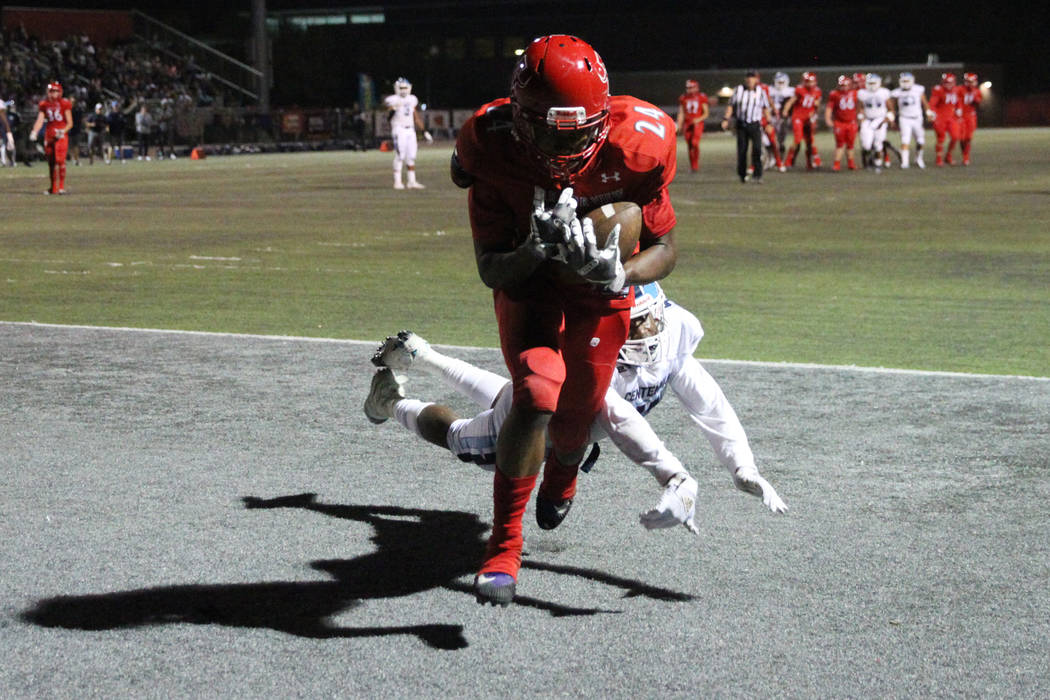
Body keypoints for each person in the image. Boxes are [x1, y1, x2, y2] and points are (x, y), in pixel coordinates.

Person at [447, 34, 679, 606]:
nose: (560, 142)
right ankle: (504, 546)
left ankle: (563, 475)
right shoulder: (488, 144)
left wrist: (618, 274)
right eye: (548, 127)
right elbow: (489, 268)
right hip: (527, 285)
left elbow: (667, 247)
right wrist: (535, 248)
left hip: (600, 294)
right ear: (520, 116)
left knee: (575, 421)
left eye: (575, 129)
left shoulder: (639, 144)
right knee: (536, 391)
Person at [364, 285, 787, 526]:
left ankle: (422, 353)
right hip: (537, 421)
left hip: (563, 418)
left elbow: (709, 403)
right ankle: (391, 401)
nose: (649, 329)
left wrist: (742, 467)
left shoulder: (669, 335)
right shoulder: (593, 358)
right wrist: (674, 476)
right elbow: (620, 420)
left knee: (505, 392)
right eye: (635, 322)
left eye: (651, 317)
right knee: (463, 439)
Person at [721, 69, 771, 183]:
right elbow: (731, 106)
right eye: (748, 77)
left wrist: (768, 122)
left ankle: (758, 175)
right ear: (745, 79)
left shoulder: (761, 91)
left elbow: (765, 108)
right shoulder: (738, 90)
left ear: (756, 79)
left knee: (757, 149)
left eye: (752, 77)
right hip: (741, 124)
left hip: (755, 124)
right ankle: (742, 174)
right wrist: (726, 119)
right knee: (742, 151)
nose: (750, 79)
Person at [383, 77, 431, 189]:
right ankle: (397, 182)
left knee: (411, 156)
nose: (403, 90)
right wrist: (392, 111)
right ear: (396, 88)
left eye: (405, 87)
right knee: (400, 155)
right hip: (399, 129)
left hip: (411, 130)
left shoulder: (412, 99)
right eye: (401, 87)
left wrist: (424, 131)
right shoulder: (393, 100)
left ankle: (411, 181)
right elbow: (388, 116)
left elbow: (416, 116)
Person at [28, 81, 74, 195]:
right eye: (51, 91)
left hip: (61, 133)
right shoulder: (44, 104)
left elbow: (70, 123)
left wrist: (63, 131)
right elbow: (40, 119)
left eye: (56, 91)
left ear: (60, 92)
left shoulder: (65, 103)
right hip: (49, 133)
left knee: (60, 160)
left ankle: (61, 187)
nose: (53, 94)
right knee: (51, 162)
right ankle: (53, 188)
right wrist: (35, 131)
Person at [781, 71, 822, 169]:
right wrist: (785, 110)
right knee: (798, 139)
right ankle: (788, 161)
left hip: (809, 119)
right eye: (807, 81)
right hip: (798, 117)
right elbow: (791, 101)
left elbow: (817, 105)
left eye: (811, 82)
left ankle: (809, 163)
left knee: (810, 141)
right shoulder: (799, 90)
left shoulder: (817, 91)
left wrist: (815, 112)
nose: (809, 84)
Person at [889, 71, 929, 169]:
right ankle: (905, 162)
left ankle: (919, 159)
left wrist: (928, 113)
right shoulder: (896, 92)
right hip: (904, 118)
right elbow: (892, 107)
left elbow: (924, 103)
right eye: (904, 81)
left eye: (907, 81)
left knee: (920, 141)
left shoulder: (918, 89)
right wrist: (892, 119)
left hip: (917, 118)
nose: (906, 83)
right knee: (905, 140)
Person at [857, 73, 893, 172]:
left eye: (874, 83)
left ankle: (878, 163)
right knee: (866, 144)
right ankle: (869, 161)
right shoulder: (862, 93)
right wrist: (860, 118)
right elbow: (859, 108)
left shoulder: (884, 92)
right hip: (868, 120)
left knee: (878, 144)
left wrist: (888, 119)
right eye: (870, 83)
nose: (872, 85)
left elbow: (891, 109)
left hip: (880, 119)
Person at [824, 74, 859, 171]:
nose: (844, 87)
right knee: (840, 144)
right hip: (840, 122)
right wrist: (828, 119)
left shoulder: (855, 93)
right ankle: (836, 163)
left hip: (851, 122)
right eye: (842, 85)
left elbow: (860, 106)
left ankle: (851, 163)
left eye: (846, 85)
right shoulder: (835, 94)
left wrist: (860, 117)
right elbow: (829, 107)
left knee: (851, 144)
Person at [928, 73, 963, 167]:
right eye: (946, 83)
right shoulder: (938, 90)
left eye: (950, 83)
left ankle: (948, 156)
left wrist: (959, 111)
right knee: (941, 138)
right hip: (940, 117)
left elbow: (958, 102)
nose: (948, 85)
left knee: (956, 137)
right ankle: (939, 158)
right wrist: (933, 114)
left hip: (952, 117)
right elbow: (932, 104)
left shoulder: (956, 90)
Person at [675, 79, 709, 172]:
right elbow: (681, 112)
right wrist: (679, 124)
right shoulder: (683, 98)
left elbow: (706, 113)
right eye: (687, 88)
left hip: (697, 124)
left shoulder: (701, 97)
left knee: (695, 143)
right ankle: (693, 166)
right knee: (689, 145)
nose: (689, 90)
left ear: (696, 88)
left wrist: (698, 119)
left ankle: (696, 164)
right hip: (687, 123)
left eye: (691, 88)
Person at [768, 72, 794, 167]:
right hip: (771, 117)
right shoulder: (770, 90)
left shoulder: (791, 91)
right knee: (770, 139)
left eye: (783, 82)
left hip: (783, 118)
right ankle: (771, 158)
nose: (781, 84)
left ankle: (781, 158)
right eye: (779, 82)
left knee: (781, 140)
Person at [958, 72, 982, 166]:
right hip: (961, 116)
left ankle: (966, 157)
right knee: (962, 137)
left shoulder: (977, 91)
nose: (970, 84)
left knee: (968, 138)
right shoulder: (960, 89)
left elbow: (978, 103)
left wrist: (976, 99)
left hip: (971, 116)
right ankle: (965, 157)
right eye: (968, 81)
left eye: (972, 82)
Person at [0, 99, 15, 167]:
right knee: (3, 145)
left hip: (2, 128)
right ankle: (4, 161)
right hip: (2, 128)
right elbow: (3, 117)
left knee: (4, 145)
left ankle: (5, 161)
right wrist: (8, 130)